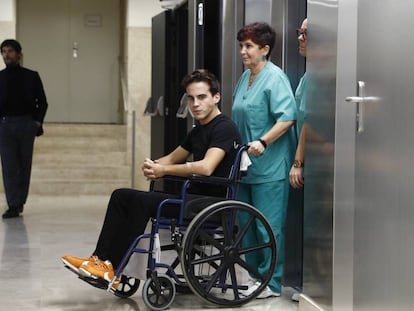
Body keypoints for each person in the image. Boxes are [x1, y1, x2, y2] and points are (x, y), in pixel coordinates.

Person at [61, 69, 241, 290]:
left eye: (201, 97)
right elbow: (172, 158)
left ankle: (113, 268)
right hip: (190, 197)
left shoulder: (224, 127)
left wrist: (164, 170)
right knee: (121, 195)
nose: (195, 104)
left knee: (142, 202)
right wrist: (154, 165)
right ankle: (100, 260)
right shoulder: (198, 131)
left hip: (206, 205)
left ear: (216, 97)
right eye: (191, 98)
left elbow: (206, 167)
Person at [232, 22, 297, 298]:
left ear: (265, 49)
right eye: (241, 46)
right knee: (246, 224)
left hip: (270, 166)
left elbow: (288, 116)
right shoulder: (244, 78)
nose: (243, 52)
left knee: (267, 225)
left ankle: (271, 282)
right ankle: (253, 276)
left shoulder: (275, 77)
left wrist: (263, 141)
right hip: (246, 167)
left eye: (249, 46)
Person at [0, 39, 48, 219]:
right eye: (4, 51)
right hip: (5, 125)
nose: (7, 55)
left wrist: (37, 122)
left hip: (26, 124)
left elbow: (42, 102)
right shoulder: (0, 77)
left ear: (19, 54)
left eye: (10, 51)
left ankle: (19, 202)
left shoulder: (31, 76)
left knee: (23, 166)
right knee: (8, 166)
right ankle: (13, 204)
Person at [289, 18, 308, 190]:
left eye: (306, 34)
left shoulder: (319, 77)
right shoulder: (307, 76)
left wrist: (298, 162)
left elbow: (310, 120)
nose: (300, 38)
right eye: (300, 33)